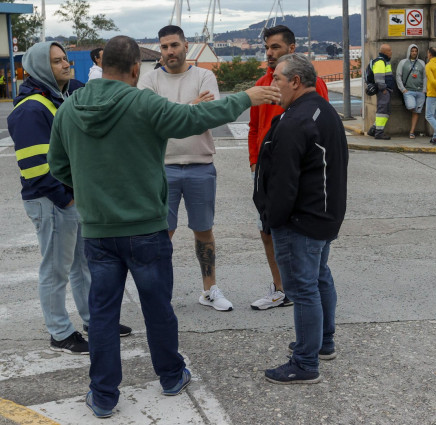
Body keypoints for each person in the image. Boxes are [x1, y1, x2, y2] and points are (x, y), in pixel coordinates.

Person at [47, 36, 279, 418]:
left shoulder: (70, 108)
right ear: (137, 69)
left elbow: (57, 165)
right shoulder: (143, 103)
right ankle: (171, 376)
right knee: (158, 308)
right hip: (146, 230)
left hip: (98, 232)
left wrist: (90, 190)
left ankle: (104, 395)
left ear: (102, 66)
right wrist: (245, 97)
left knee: (102, 315)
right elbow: (194, 119)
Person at [7, 41, 132, 357]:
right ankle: (60, 333)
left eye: (65, 59)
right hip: (50, 200)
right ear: (39, 68)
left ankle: (95, 321)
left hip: (67, 199)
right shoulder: (31, 109)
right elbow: (35, 167)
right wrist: (66, 199)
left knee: (82, 266)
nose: (66, 64)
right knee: (55, 270)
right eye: (57, 61)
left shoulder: (58, 96)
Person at [253, 53, 348, 384]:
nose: (272, 84)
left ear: (295, 81)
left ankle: (306, 362)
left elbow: (283, 182)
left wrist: (271, 219)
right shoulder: (323, 110)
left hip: (301, 220)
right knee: (319, 277)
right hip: (324, 215)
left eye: (277, 79)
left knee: (303, 288)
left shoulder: (296, 121)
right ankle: (323, 343)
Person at [138, 25, 231, 311]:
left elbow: (210, 116)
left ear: (186, 46)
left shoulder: (204, 75)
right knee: (162, 235)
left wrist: (171, 111)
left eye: (174, 45)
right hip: (162, 168)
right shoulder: (149, 79)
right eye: (164, 47)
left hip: (200, 165)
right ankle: (159, 294)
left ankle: (209, 289)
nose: (170, 52)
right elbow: (150, 120)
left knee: (204, 231)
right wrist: (192, 106)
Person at [247, 25, 330, 311]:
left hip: (296, 173)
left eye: (276, 48)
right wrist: (255, 160)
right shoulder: (261, 83)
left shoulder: (308, 83)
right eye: (267, 48)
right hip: (267, 172)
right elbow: (254, 127)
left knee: (296, 231)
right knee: (266, 229)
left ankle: (301, 284)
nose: (269, 53)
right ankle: (281, 287)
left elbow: (321, 127)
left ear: (291, 48)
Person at [396, 44, 426, 139]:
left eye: (415, 51)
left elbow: (425, 77)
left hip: (420, 91)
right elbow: (398, 76)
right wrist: (403, 89)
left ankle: (412, 131)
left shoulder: (421, 63)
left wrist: (424, 89)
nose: (414, 53)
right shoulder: (403, 62)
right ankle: (410, 105)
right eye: (412, 51)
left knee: (416, 112)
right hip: (408, 91)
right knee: (411, 106)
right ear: (409, 51)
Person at [367, 44, 395, 140]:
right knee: (382, 111)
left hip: (386, 90)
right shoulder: (380, 62)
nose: (391, 52)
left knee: (385, 111)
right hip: (383, 90)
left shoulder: (385, 61)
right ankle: (379, 132)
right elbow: (379, 78)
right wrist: (383, 89)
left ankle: (373, 129)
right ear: (385, 52)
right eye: (389, 50)